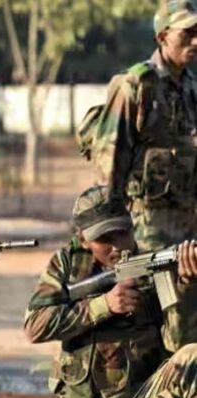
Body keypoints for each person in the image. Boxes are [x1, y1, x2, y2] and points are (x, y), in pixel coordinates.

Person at [24, 186, 197, 398]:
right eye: (105, 238)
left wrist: (187, 287)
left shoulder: (157, 264)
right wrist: (104, 305)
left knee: (193, 357)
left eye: (123, 233)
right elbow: (35, 325)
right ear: (83, 238)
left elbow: (179, 347)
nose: (117, 246)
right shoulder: (67, 265)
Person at [80, 0, 197, 252]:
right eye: (187, 34)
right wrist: (111, 239)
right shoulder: (135, 85)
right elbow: (108, 163)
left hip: (189, 238)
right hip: (143, 235)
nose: (195, 41)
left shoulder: (192, 89)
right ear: (163, 37)